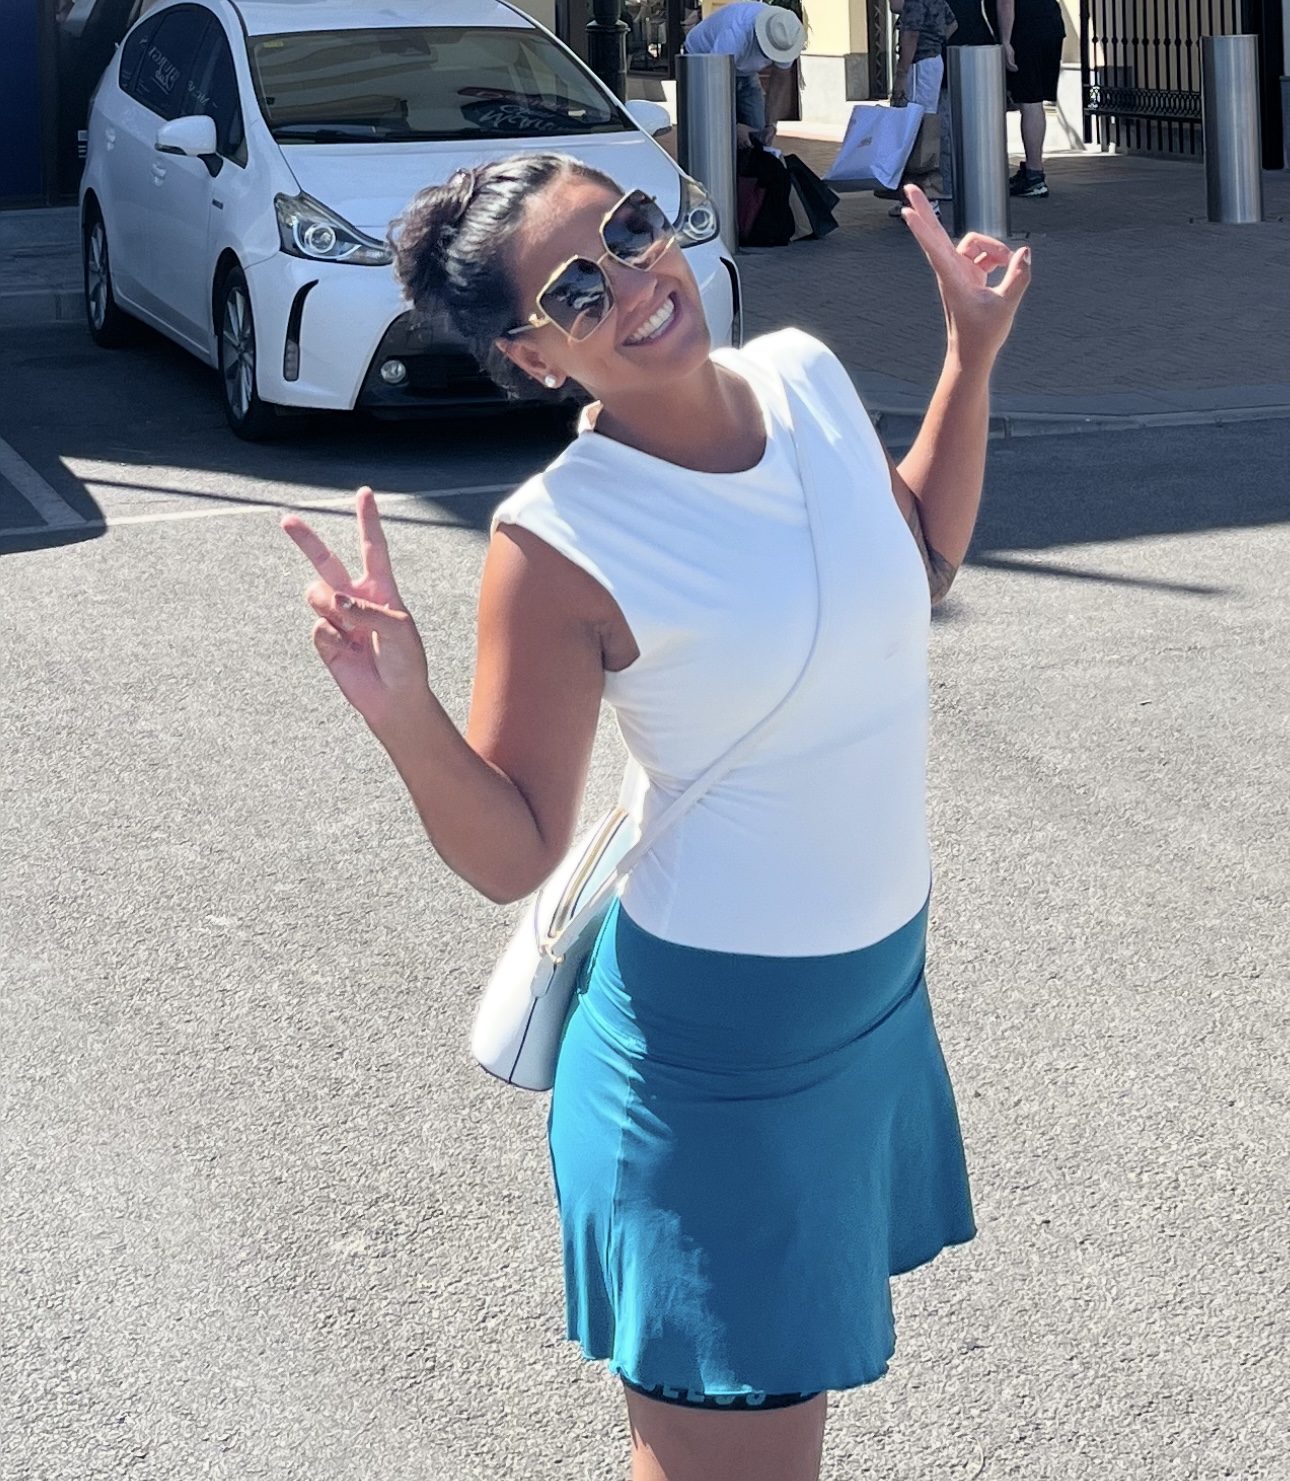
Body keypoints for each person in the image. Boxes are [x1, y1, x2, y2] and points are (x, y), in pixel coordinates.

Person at [283, 154, 1030, 1481]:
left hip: (869, 1004)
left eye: (629, 232)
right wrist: (403, 713)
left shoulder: (802, 374)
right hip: (711, 1066)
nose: (632, 283)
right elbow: (514, 849)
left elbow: (910, 560)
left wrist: (968, 360)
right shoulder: (558, 540)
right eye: (577, 290)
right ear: (532, 356)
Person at [682, 0, 805, 147]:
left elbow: (780, 82)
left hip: (744, 71)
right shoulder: (736, 34)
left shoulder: (786, 37)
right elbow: (714, 84)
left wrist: (770, 124)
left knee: (757, 134)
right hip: (702, 62)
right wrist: (733, 126)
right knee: (713, 133)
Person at [885, 0, 957, 216]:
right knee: (924, 124)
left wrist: (901, 74)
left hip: (918, 65)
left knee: (917, 128)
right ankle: (916, 196)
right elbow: (952, 24)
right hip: (933, 60)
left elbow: (911, 35)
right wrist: (936, 40)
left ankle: (925, 199)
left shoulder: (914, 2)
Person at [996, 0, 1066, 197]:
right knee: (1034, 101)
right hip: (1050, 24)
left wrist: (1005, 40)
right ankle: (1033, 170)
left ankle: (1033, 175)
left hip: (1025, 30)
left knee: (1029, 101)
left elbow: (1006, 2)